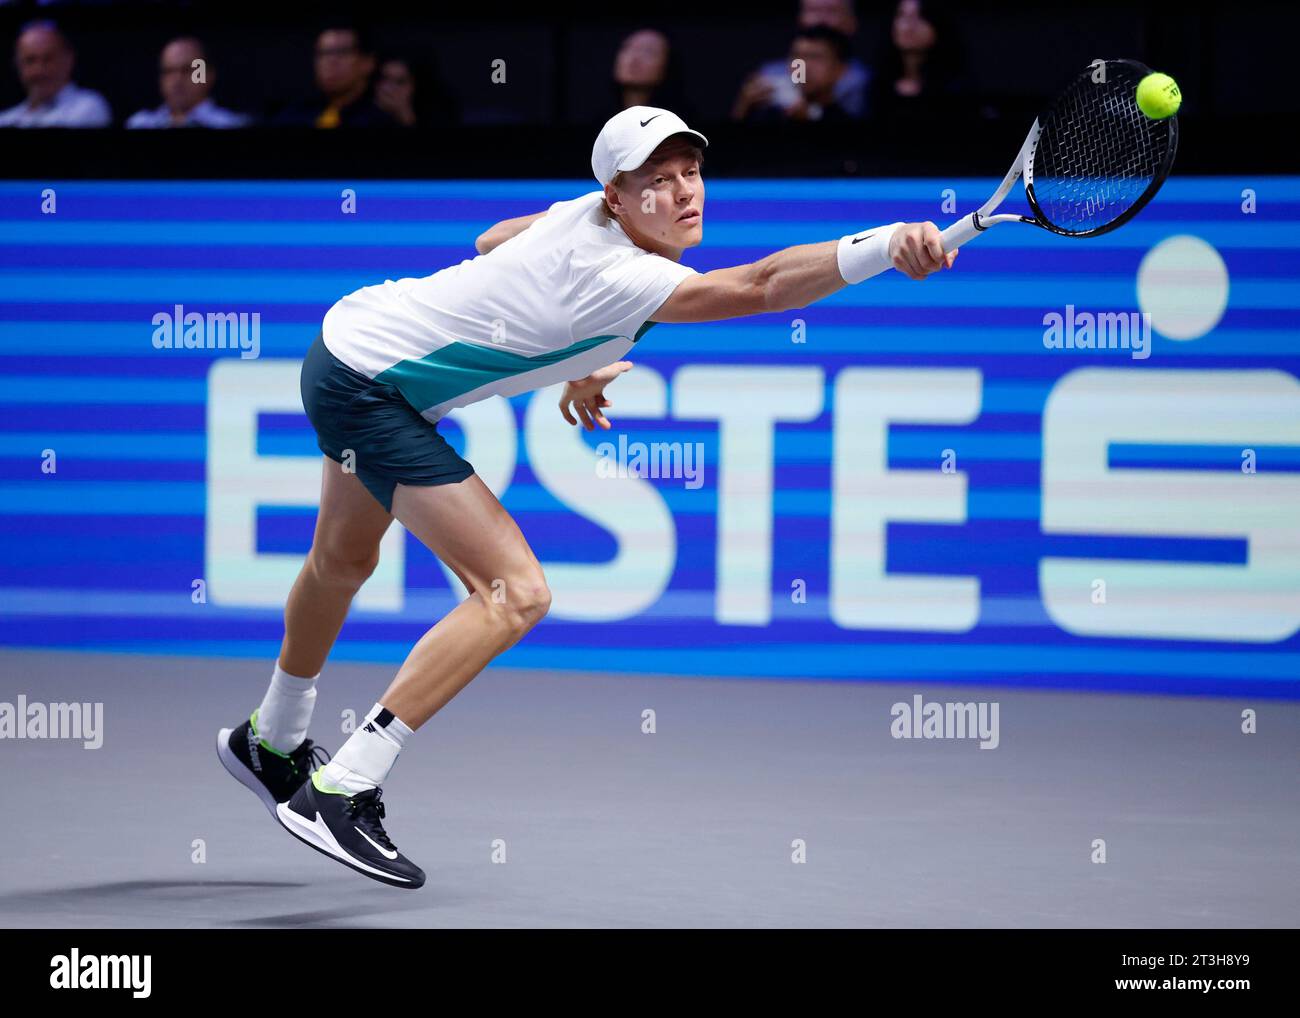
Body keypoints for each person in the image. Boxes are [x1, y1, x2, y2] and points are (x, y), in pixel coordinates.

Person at [216, 106, 957, 889]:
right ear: (616, 198)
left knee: (341, 561)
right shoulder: (623, 274)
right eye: (657, 183)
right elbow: (763, 285)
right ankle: (344, 786)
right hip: (371, 389)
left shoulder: (582, 219)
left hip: (347, 343)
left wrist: (575, 352)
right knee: (515, 593)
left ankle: (272, 738)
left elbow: (495, 240)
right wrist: (883, 246)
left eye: (690, 173)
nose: (683, 194)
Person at [732, 0, 869, 121]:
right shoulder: (772, 99)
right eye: (797, 57)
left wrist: (811, 115)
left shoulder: (865, 88)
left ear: (840, 69)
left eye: (815, 57)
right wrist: (743, 108)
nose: (804, 66)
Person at [275, 24, 394, 128]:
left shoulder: (380, 121)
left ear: (367, 62)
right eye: (323, 53)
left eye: (342, 52)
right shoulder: (294, 115)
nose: (330, 61)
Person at [0, 20, 110, 128]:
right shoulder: (6, 119)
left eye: (48, 59)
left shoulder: (89, 107)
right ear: (17, 64)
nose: (39, 70)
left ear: (69, 60)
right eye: (30, 60)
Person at [869, 0, 968, 118]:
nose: (909, 26)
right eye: (902, 15)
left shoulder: (955, 89)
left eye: (919, 17)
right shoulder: (879, 85)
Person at [125, 37, 251, 129]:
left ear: (209, 75)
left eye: (187, 70)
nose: (177, 80)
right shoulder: (139, 124)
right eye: (168, 71)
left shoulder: (232, 124)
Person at [603, 28, 694, 123]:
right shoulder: (597, 126)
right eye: (627, 48)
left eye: (648, 52)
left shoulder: (680, 125)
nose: (634, 58)